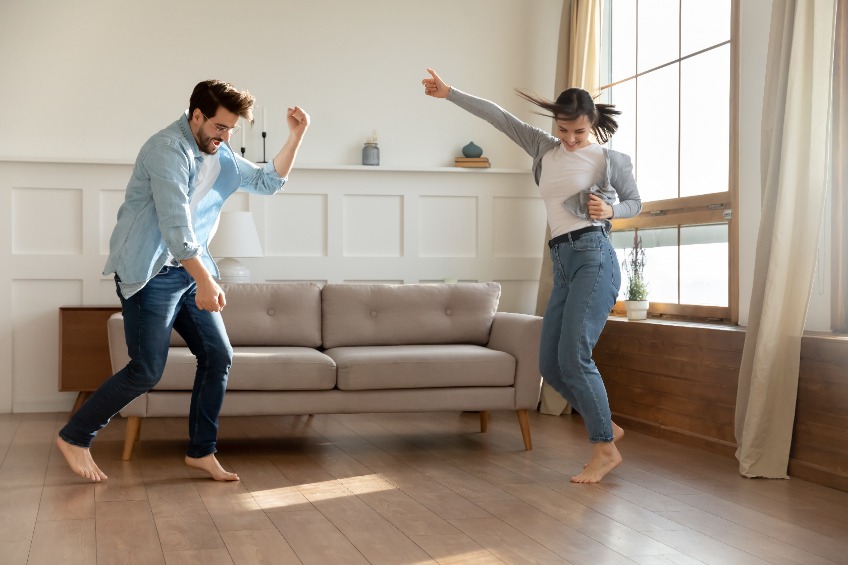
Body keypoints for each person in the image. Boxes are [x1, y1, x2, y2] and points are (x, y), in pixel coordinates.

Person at [56, 80, 310, 482]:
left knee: (218, 356)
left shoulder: (221, 153)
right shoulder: (166, 150)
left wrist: (296, 136)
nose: (225, 137)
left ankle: (201, 451)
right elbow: (175, 226)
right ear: (196, 116)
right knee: (146, 370)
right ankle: (75, 436)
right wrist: (206, 281)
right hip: (151, 271)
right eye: (219, 128)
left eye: (231, 130)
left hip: (188, 270)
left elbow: (266, 182)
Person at [422, 68, 641, 483]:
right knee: (550, 365)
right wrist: (450, 93)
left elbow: (635, 202)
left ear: (592, 123)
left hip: (594, 256)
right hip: (561, 259)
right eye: (564, 129)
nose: (571, 139)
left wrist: (612, 211)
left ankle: (603, 449)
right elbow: (499, 116)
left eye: (578, 131)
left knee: (575, 356)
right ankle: (605, 425)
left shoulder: (609, 160)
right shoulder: (544, 148)